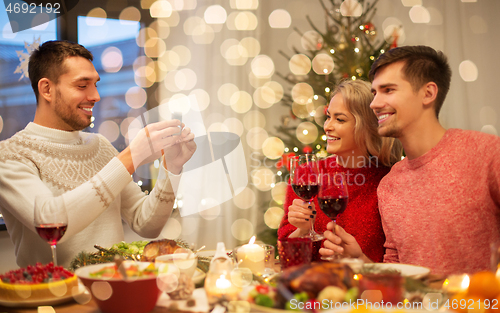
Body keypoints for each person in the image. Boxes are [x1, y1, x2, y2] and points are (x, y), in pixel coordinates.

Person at [0, 40, 197, 268]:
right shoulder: (10, 155)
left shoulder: (100, 145)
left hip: (117, 291)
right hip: (54, 298)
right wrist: (131, 156)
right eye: (82, 86)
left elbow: (146, 224)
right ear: (47, 89)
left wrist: (171, 168)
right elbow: (50, 220)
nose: (95, 96)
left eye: (95, 84)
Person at [320, 45, 500, 275]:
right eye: (374, 93)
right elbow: (396, 273)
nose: (374, 104)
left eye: (388, 90)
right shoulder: (390, 184)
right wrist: (361, 262)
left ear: (428, 93)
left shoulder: (486, 154)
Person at [278, 80, 402, 262]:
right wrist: (301, 230)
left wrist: (359, 260)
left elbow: (396, 269)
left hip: (366, 290)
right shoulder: (306, 175)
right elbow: (287, 262)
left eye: (340, 119)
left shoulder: (389, 181)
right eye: (328, 116)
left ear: (367, 127)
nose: (327, 126)